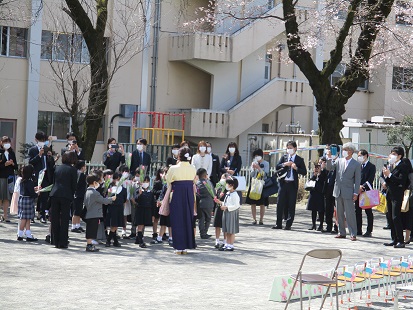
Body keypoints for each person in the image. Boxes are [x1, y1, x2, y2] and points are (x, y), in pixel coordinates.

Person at [326, 142, 361, 241]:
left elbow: (357, 180)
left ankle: (353, 233)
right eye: (344, 150)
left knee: (350, 214)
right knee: (339, 213)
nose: (344, 152)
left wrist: (355, 193)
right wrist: (329, 158)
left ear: (351, 152)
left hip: (349, 191)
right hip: (338, 190)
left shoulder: (356, 164)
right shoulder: (339, 161)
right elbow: (330, 168)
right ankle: (341, 232)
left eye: (346, 150)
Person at [165, 147, 197, 254]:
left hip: (177, 193)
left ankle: (179, 247)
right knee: (187, 218)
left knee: (177, 219)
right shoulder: (193, 167)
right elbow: (194, 180)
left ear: (179, 156)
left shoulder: (173, 168)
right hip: (189, 193)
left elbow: (168, 180)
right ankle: (186, 246)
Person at [273, 141, 307, 230]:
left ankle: (288, 224)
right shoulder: (284, 157)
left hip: (292, 184)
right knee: (280, 203)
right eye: (288, 148)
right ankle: (278, 223)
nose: (289, 149)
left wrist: (296, 168)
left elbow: (304, 172)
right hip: (283, 183)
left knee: (291, 204)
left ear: (295, 148)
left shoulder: (299, 159)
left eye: (291, 148)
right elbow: (277, 166)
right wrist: (284, 164)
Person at [49, 152, 78, 248]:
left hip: (55, 193)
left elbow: (53, 181)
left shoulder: (57, 168)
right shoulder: (73, 170)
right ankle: (63, 241)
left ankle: (54, 240)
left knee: (55, 218)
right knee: (64, 219)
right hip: (66, 195)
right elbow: (74, 184)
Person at [382, 146, 409, 248]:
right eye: (391, 153)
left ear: (400, 156)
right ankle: (394, 239)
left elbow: (401, 180)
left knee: (396, 217)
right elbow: (390, 179)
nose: (392, 156)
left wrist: (389, 175)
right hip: (389, 193)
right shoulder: (391, 165)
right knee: (390, 216)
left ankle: (401, 240)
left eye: (394, 154)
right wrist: (386, 178)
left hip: (397, 194)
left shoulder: (403, 166)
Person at [83, 174, 116, 252]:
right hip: (94, 214)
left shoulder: (87, 192)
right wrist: (112, 198)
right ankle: (89, 245)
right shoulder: (95, 193)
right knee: (92, 231)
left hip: (89, 214)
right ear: (94, 182)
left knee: (90, 230)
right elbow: (104, 201)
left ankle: (90, 244)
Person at [28, 131, 55, 223]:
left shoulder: (47, 149)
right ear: (36, 140)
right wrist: (39, 155)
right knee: (33, 195)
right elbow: (31, 162)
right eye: (40, 140)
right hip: (36, 175)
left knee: (44, 196)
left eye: (43, 140)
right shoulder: (33, 150)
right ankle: (31, 215)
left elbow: (51, 164)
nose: (42, 142)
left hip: (46, 175)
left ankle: (42, 215)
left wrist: (51, 157)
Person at [355, 149, 376, 237]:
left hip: (366, 191)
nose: (359, 157)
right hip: (357, 191)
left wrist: (362, 187)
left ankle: (369, 230)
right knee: (357, 211)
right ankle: (358, 229)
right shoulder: (358, 166)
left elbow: (370, 180)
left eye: (360, 155)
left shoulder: (371, 166)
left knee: (368, 211)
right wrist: (357, 187)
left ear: (366, 156)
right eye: (358, 156)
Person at [245, 149, 269, 225]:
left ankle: (261, 219)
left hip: (262, 184)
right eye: (255, 156)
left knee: (262, 203)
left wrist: (259, 168)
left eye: (258, 155)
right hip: (254, 184)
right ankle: (254, 219)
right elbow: (251, 175)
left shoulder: (266, 163)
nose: (257, 157)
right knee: (253, 203)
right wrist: (253, 168)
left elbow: (265, 174)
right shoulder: (253, 163)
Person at [216, 177, 240, 251]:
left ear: (232, 185)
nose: (226, 185)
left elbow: (236, 205)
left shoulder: (235, 194)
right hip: (226, 212)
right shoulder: (228, 193)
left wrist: (226, 207)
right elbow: (226, 203)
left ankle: (231, 245)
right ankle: (226, 244)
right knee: (226, 229)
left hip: (231, 213)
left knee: (231, 230)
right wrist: (220, 203)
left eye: (228, 184)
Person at [17, 165, 39, 241]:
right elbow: (32, 194)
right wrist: (37, 193)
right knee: (26, 218)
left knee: (25, 218)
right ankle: (22, 234)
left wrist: (34, 189)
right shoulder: (29, 182)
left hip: (22, 199)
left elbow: (27, 190)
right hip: (28, 201)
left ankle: (26, 234)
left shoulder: (22, 181)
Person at [105, 172, 127, 247]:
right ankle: (111, 241)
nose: (118, 180)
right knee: (113, 225)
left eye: (119, 179)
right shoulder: (110, 188)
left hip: (119, 208)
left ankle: (112, 241)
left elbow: (124, 199)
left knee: (115, 225)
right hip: (112, 208)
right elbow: (106, 198)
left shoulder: (124, 189)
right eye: (116, 179)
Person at [134, 176, 155, 248]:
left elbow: (152, 203)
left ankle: (137, 238)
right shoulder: (138, 190)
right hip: (140, 210)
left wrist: (153, 214)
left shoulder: (150, 192)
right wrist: (139, 194)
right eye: (144, 181)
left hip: (148, 210)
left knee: (143, 225)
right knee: (140, 225)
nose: (146, 183)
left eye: (147, 181)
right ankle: (141, 241)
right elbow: (136, 200)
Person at [0, 136, 17, 222]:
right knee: (0, 197)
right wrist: (5, 165)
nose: (7, 144)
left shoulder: (12, 153)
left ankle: (5, 215)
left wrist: (12, 164)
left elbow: (16, 166)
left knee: (7, 197)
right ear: (1, 143)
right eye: (5, 142)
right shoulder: (0, 153)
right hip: (1, 177)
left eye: (8, 142)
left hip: (9, 177)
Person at [306, 160, 327, 231]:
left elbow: (323, 181)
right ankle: (313, 224)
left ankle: (321, 225)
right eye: (316, 167)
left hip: (320, 193)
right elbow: (311, 180)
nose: (317, 168)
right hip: (313, 192)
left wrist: (320, 173)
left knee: (320, 210)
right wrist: (315, 175)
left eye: (319, 166)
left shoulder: (324, 172)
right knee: (313, 209)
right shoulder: (314, 173)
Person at [323, 145, 339, 233]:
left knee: (337, 208)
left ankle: (336, 226)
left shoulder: (340, 162)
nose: (330, 152)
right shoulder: (328, 160)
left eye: (332, 151)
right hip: (328, 187)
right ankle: (328, 225)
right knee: (328, 207)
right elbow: (327, 169)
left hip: (336, 187)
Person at [196, 168, 215, 239]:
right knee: (208, 219)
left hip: (200, 203)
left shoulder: (197, 183)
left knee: (201, 219)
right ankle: (205, 232)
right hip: (208, 203)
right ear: (205, 175)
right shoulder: (208, 183)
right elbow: (213, 193)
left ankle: (202, 232)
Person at [213, 173, 229, 248]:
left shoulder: (228, 188)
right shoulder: (218, 186)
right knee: (217, 224)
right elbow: (215, 196)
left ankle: (225, 240)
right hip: (218, 207)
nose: (222, 179)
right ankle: (217, 240)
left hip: (225, 207)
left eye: (223, 178)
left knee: (224, 225)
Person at [71, 160, 87, 233]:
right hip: (78, 194)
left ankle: (78, 225)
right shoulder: (81, 175)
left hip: (79, 194)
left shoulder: (79, 174)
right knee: (76, 211)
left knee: (79, 211)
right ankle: (73, 226)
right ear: (82, 167)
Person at [151, 168, 164, 244]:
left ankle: (162, 233)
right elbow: (154, 191)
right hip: (158, 202)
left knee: (163, 219)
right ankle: (155, 232)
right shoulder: (157, 182)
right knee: (156, 219)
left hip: (164, 202)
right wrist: (161, 191)